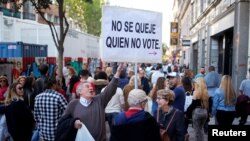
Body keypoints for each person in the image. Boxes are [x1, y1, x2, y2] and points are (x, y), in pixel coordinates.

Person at [62, 64, 123, 141]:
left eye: (91, 87)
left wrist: (117, 73)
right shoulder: (73, 104)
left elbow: (110, 90)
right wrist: (73, 123)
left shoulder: (99, 100)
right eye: (87, 86)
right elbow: (63, 122)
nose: (91, 88)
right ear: (79, 91)